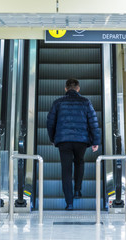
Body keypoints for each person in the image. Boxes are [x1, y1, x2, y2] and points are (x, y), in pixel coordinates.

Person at [46, 78, 100, 211]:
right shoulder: (85, 102)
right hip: (81, 140)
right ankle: (77, 190)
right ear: (78, 88)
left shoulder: (58, 103)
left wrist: (53, 138)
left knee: (66, 170)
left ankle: (69, 203)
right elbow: (93, 122)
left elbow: (50, 122)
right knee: (79, 162)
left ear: (65, 89)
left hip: (63, 140)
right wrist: (95, 141)